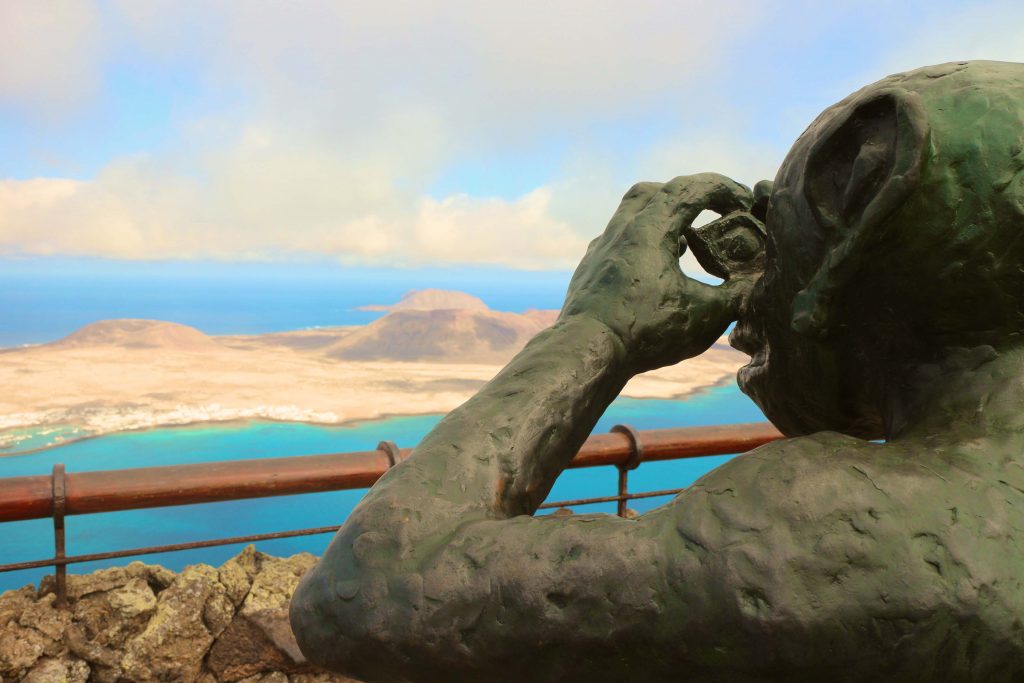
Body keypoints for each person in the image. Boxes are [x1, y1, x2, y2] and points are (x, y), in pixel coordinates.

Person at [290, 61, 1024, 681]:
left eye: (777, 230)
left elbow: (367, 589)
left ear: (863, 188)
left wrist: (597, 328)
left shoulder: (843, 530)